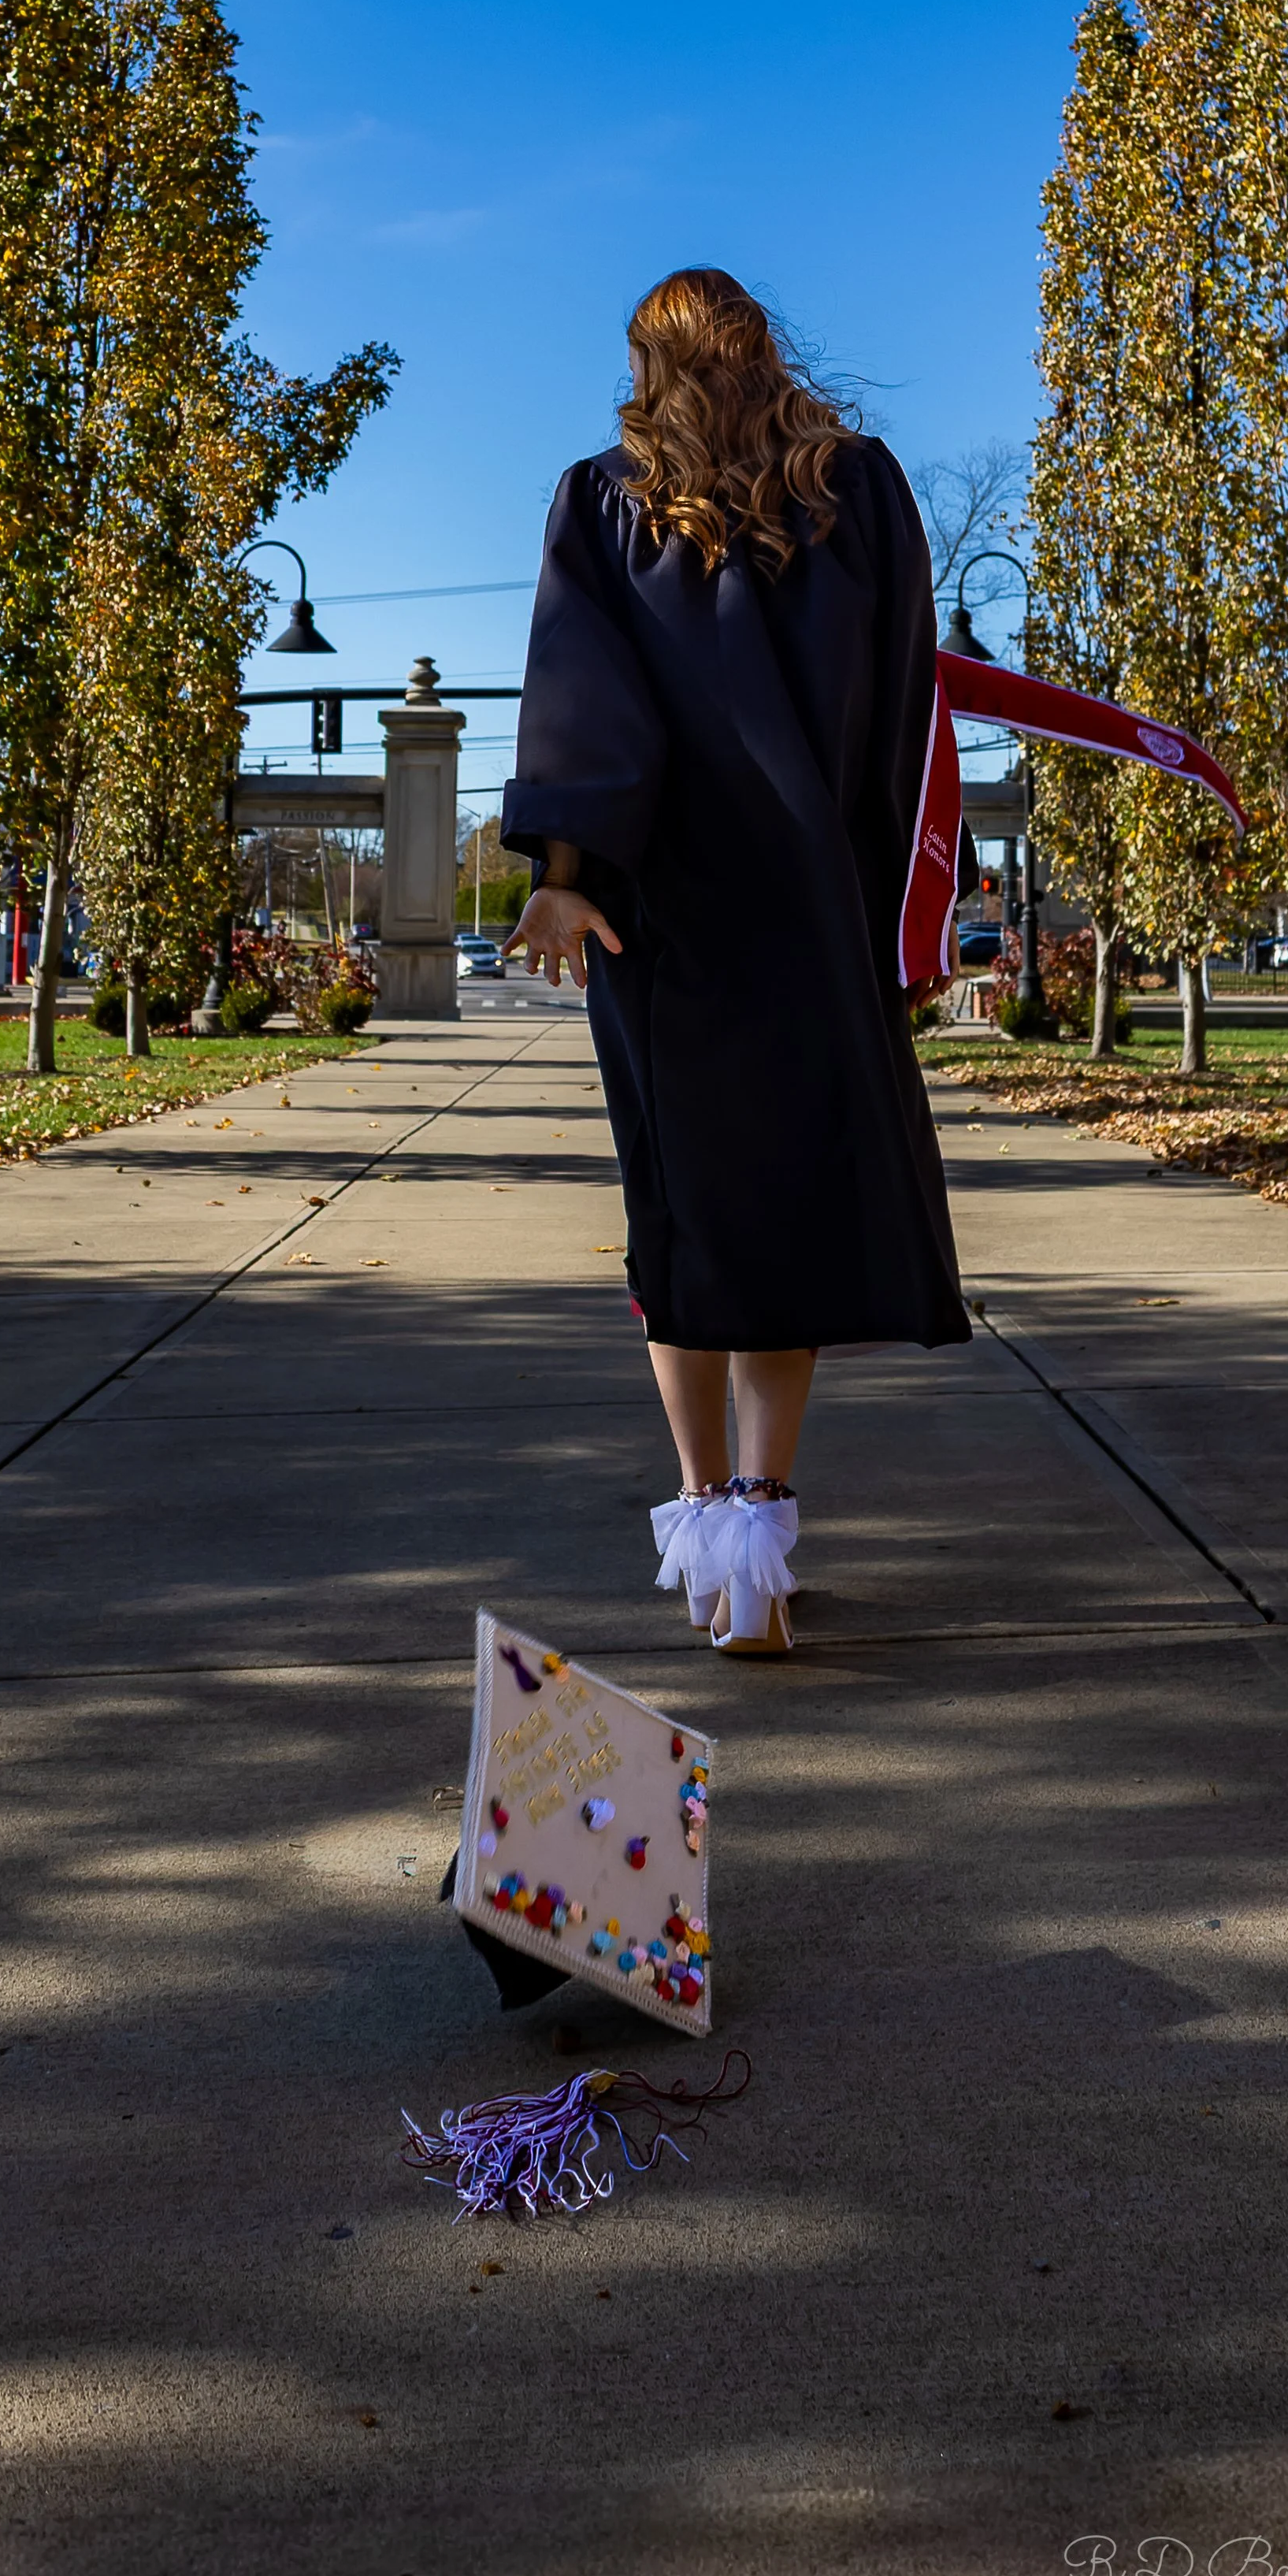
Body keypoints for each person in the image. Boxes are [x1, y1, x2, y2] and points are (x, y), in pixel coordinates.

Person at [502, 267, 969, 1654]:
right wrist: (902, 916)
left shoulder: (605, 500)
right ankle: (762, 1540)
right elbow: (903, 711)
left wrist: (563, 882)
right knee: (790, 1218)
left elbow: (584, 699)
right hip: (815, 910)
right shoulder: (860, 490)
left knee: (686, 1221)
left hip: (668, 921)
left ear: (647, 365)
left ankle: (712, 1531)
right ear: (766, 351)